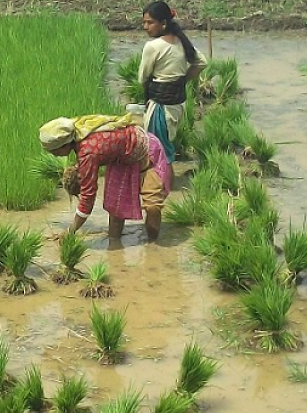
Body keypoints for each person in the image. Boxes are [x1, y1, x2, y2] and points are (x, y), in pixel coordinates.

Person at [38, 114, 171, 241]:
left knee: (152, 207)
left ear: (65, 144)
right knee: (115, 211)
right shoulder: (76, 130)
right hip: (121, 161)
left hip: (145, 153)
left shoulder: (87, 151)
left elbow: (87, 199)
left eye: (55, 151)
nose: (55, 155)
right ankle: (114, 246)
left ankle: (152, 246)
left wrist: (71, 231)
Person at [138, 1, 207, 173]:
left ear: (163, 23)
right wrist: (182, 80)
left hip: (160, 105)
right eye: (144, 22)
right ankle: (164, 181)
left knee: (157, 148)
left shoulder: (153, 46)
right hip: (177, 104)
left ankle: (163, 183)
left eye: (150, 22)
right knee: (165, 145)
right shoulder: (181, 41)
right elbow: (201, 62)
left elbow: (142, 77)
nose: (145, 27)